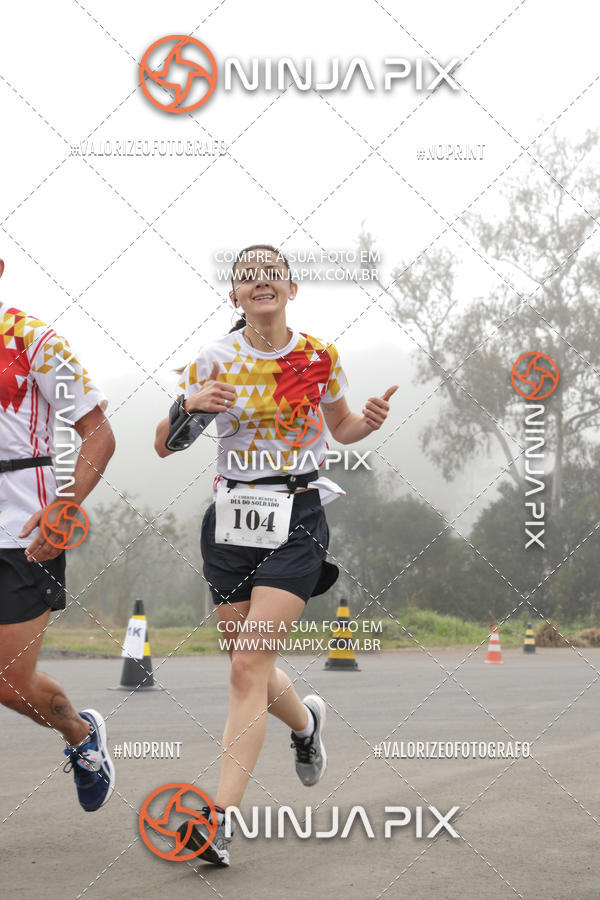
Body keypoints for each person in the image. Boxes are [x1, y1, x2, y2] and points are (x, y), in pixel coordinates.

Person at [154, 244, 397, 865]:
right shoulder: (214, 360)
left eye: (271, 274)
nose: (259, 283)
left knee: (246, 668)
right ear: (235, 296)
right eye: (246, 277)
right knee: (248, 664)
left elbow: (339, 429)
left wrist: (366, 423)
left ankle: (219, 821)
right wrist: (187, 409)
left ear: (291, 289)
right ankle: (307, 724)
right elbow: (165, 444)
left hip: (299, 517)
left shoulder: (320, 356)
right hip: (231, 521)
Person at [0, 258, 116, 812]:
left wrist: (63, 509)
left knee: (8, 683)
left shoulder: (34, 338)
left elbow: (98, 434)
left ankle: (80, 737)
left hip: (21, 534)